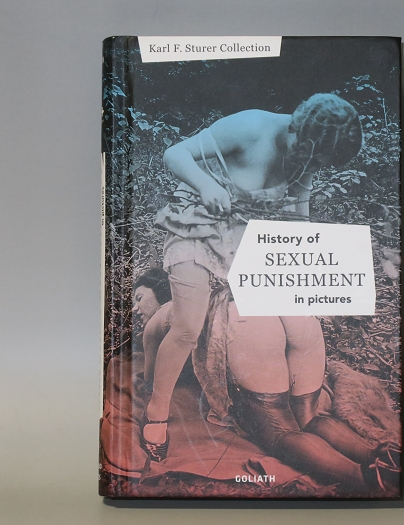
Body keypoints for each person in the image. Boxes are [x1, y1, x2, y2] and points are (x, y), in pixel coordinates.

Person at [143, 94, 365, 461]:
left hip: (243, 236)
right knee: (188, 327)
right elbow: (175, 154)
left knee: (284, 319)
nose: (309, 165)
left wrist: (308, 262)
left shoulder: (307, 155)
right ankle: (156, 412)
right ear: (297, 130)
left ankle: (166, 321)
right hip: (194, 226)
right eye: (309, 156)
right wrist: (206, 185)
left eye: (317, 163)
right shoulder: (249, 126)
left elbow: (298, 214)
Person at [133, 268, 400, 494]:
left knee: (281, 433)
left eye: (139, 297)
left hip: (247, 319)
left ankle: (367, 479)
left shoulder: (166, 313)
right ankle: (382, 455)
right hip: (290, 310)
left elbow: (151, 380)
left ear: (165, 290)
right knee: (309, 418)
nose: (135, 309)